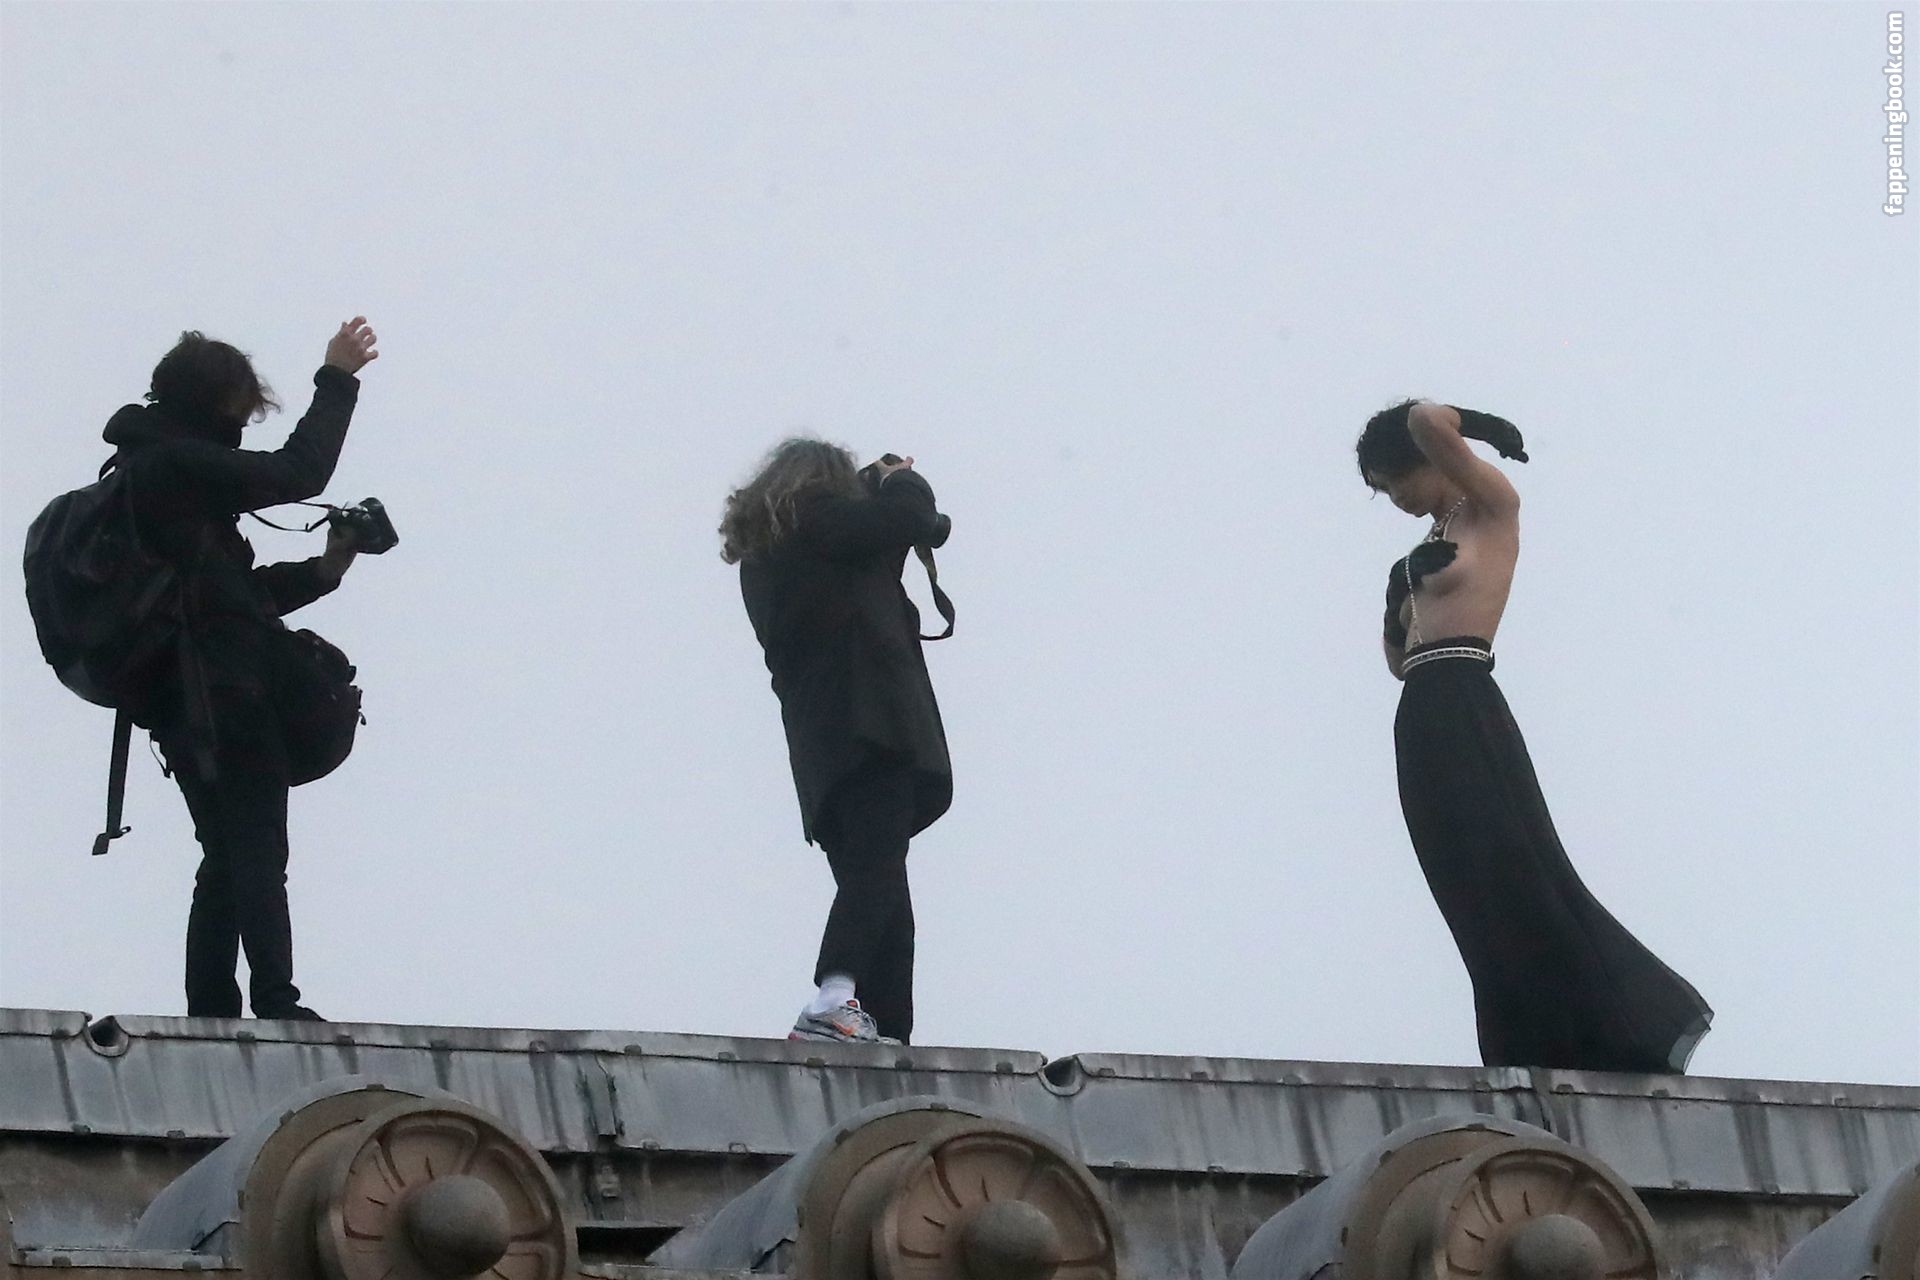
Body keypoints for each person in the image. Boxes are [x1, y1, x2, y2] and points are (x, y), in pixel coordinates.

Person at [1360, 399, 1712, 1072]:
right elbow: (1400, 662)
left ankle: (1614, 1027)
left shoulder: (1490, 509)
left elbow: (1426, 418)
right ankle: (1520, 1041)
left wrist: (1480, 427)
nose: (1395, 497)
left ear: (1421, 460)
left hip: (1467, 694)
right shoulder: (1426, 545)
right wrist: (1396, 592)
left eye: (1394, 478)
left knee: (1513, 863)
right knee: (1464, 881)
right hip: (1423, 710)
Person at [102, 319, 380, 1021]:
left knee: (226, 854)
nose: (240, 427)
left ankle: (213, 1014)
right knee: (255, 846)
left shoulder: (150, 477)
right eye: (237, 409)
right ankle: (276, 1003)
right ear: (211, 401)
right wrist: (337, 379)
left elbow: (229, 599)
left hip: (181, 696)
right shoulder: (174, 466)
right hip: (223, 694)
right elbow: (298, 473)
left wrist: (324, 569)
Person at [721, 439, 953, 1045]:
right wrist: (901, 481)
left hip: (825, 749)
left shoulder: (779, 555)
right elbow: (901, 520)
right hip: (872, 728)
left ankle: (886, 1035)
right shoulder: (819, 522)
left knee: (882, 889)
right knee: (878, 872)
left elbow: (871, 553)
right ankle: (832, 1000)